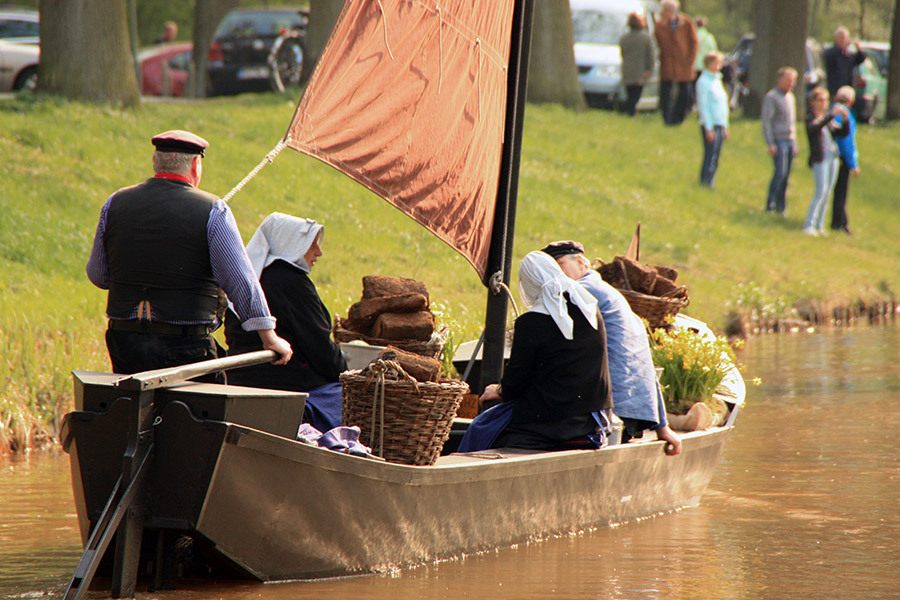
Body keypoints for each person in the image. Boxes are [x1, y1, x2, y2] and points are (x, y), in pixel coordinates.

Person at [86, 130, 292, 378]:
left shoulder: (114, 203)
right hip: (185, 345)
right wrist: (269, 338)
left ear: (155, 162)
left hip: (124, 343)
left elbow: (98, 275)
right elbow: (241, 282)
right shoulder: (214, 210)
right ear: (196, 164)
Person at [458, 251, 612, 452]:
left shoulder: (531, 321)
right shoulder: (589, 308)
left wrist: (497, 389)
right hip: (590, 421)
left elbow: (515, 383)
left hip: (547, 425)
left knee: (480, 428)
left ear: (529, 283)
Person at [542, 241, 682, 456]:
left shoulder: (581, 292)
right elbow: (643, 360)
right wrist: (662, 426)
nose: (554, 274)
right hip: (632, 414)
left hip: (607, 413)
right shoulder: (611, 294)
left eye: (559, 265)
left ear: (581, 262)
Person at [224, 213, 348, 432]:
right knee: (347, 400)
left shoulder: (248, 279)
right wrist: (347, 376)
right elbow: (320, 348)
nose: (318, 252)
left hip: (239, 379)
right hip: (286, 387)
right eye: (312, 245)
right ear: (292, 244)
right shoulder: (290, 281)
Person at [802, 88, 849, 236]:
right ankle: (809, 224)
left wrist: (845, 119)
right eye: (820, 100)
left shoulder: (827, 120)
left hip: (833, 157)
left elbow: (841, 132)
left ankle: (819, 224)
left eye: (825, 100)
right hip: (820, 158)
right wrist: (830, 115)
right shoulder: (811, 119)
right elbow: (815, 128)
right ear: (813, 102)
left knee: (828, 192)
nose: (823, 103)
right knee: (820, 191)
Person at [761, 67, 798, 215]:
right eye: (788, 80)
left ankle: (781, 206)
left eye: (793, 81)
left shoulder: (791, 97)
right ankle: (770, 203)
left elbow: (793, 122)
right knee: (780, 173)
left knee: (787, 175)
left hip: (790, 140)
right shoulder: (772, 97)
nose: (791, 84)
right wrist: (770, 143)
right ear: (779, 80)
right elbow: (766, 121)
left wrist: (795, 141)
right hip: (778, 140)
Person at [654, 0, 698, 126]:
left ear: (670, 11)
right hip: (668, 64)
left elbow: (694, 42)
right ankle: (667, 118)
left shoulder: (686, 23)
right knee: (666, 91)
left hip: (684, 64)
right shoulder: (660, 25)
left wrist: (690, 60)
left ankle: (679, 117)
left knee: (685, 91)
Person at [694, 51, 729, 188]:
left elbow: (723, 105)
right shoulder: (704, 82)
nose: (719, 66)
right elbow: (703, 106)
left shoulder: (717, 80)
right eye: (717, 63)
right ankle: (705, 182)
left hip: (719, 122)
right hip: (710, 124)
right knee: (710, 154)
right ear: (709, 64)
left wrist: (725, 126)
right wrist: (708, 128)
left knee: (717, 156)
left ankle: (711, 181)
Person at [830, 86, 860, 234]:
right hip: (842, 157)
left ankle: (839, 220)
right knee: (841, 191)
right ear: (851, 101)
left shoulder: (831, 111)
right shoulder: (846, 115)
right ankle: (839, 222)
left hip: (830, 155)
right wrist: (853, 163)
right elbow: (847, 142)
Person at [619, 11, 655, 117]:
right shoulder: (646, 38)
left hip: (627, 70)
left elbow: (622, 53)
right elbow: (651, 56)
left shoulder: (624, 38)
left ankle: (630, 111)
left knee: (630, 93)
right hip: (640, 71)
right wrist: (649, 70)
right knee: (636, 95)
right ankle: (631, 112)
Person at [823, 27, 866, 100]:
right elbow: (830, 58)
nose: (844, 40)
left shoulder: (848, 55)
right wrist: (841, 48)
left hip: (848, 89)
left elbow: (861, 59)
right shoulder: (831, 52)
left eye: (845, 38)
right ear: (836, 38)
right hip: (835, 90)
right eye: (841, 38)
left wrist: (858, 48)